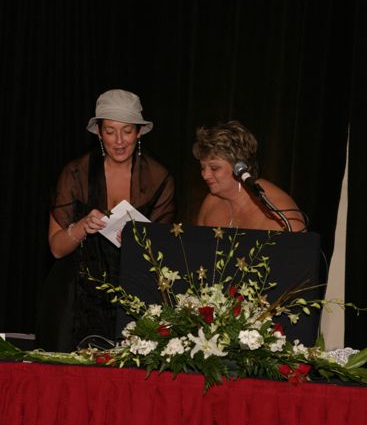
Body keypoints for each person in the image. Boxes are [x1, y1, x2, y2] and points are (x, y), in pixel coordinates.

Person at [37, 89, 175, 352]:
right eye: (110, 131)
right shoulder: (75, 173)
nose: (119, 140)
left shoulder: (159, 178)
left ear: (139, 132)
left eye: (127, 130)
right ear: (99, 132)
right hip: (74, 302)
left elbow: (164, 256)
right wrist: (81, 227)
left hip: (130, 300)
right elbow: (56, 248)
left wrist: (138, 243)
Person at [193, 120, 306, 232]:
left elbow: (299, 249)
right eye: (203, 168)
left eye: (214, 168)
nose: (205, 175)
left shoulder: (280, 211)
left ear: (240, 166)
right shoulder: (210, 203)